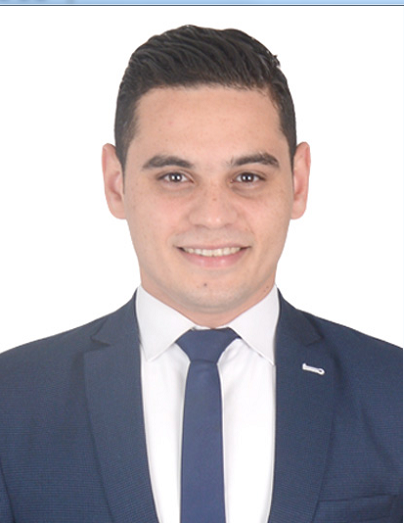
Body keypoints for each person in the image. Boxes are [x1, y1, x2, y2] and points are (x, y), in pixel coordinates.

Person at [0, 25, 401, 523]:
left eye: (247, 177)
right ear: (116, 183)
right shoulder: (11, 401)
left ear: (298, 183)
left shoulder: (394, 393)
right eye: (175, 177)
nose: (213, 216)